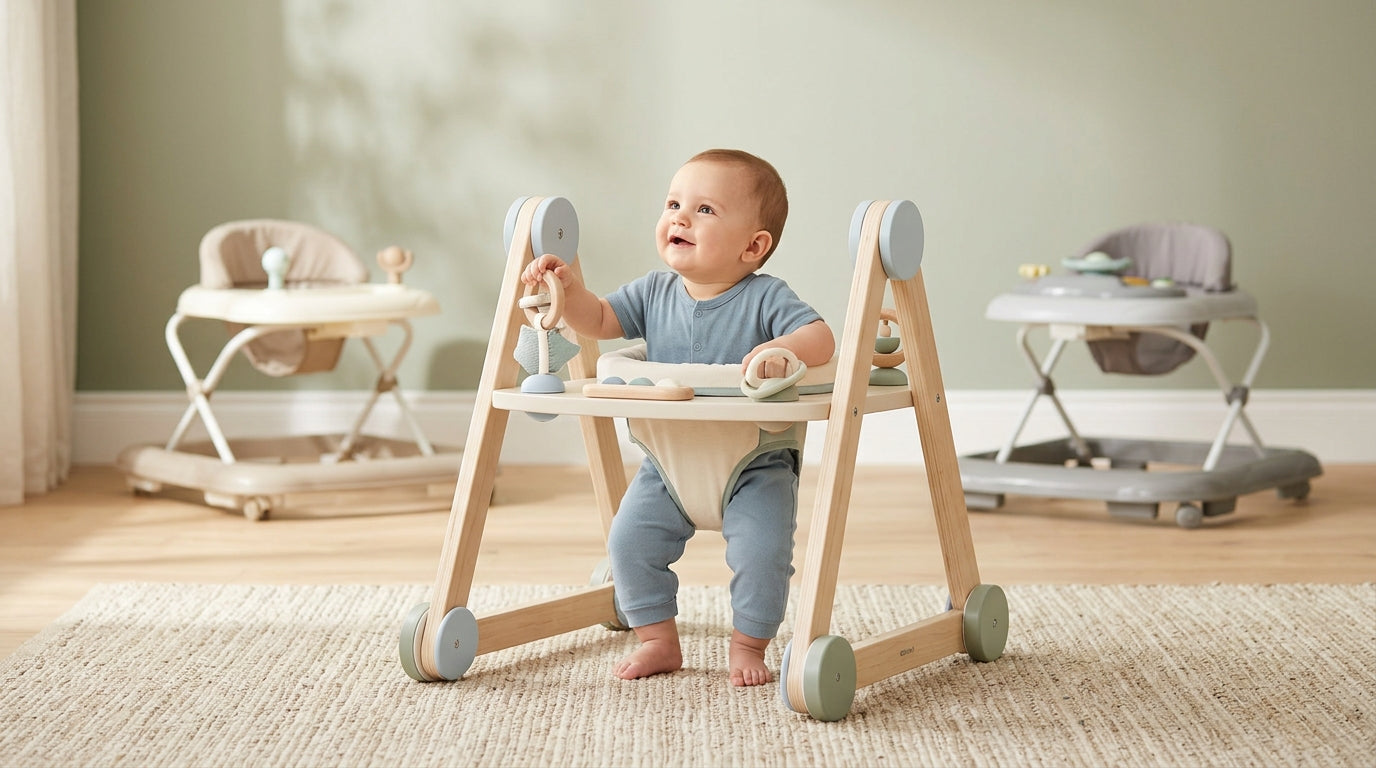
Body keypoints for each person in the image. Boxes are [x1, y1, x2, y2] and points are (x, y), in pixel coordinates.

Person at [520, 149, 835, 687]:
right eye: (673, 203)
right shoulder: (652, 291)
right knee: (627, 542)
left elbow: (821, 337)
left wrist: (780, 352)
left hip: (753, 462)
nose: (680, 217)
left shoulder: (766, 297)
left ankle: (747, 644)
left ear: (753, 245)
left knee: (764, 554)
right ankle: (658, 640)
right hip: (666, 461)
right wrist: (567, 291)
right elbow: (597, 320)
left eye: (705, 209)